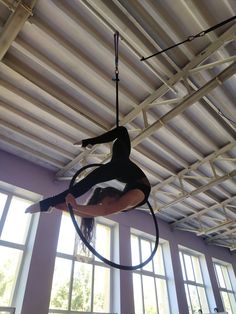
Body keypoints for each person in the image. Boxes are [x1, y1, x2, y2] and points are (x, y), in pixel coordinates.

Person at [25, 126, 151, 225]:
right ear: (114, 196)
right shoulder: (132, 199)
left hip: (124, 169)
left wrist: (60, 206)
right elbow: (104, 211)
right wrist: (75, 205)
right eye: (107, 203)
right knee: (91, 179)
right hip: (126, 170)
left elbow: (88, 214)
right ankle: (47, 203)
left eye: (104, 203)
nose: (106, 205)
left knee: (121, 132)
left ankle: (89, 142)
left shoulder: (120, 203)